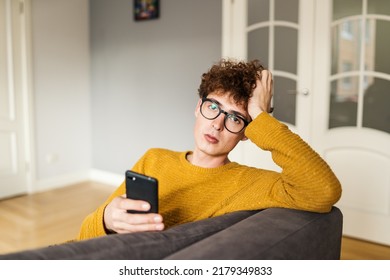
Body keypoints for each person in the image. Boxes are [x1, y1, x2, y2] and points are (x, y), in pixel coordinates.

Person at [77, 58, 341, 240]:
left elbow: (323, 191)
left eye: (235, 118)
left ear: (248, 133)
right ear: (197, 107)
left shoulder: (251, 183)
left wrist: (260, 116)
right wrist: (107, 220)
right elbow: (83, 237)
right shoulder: (154, 158)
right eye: (213, 107)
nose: (217, 124)